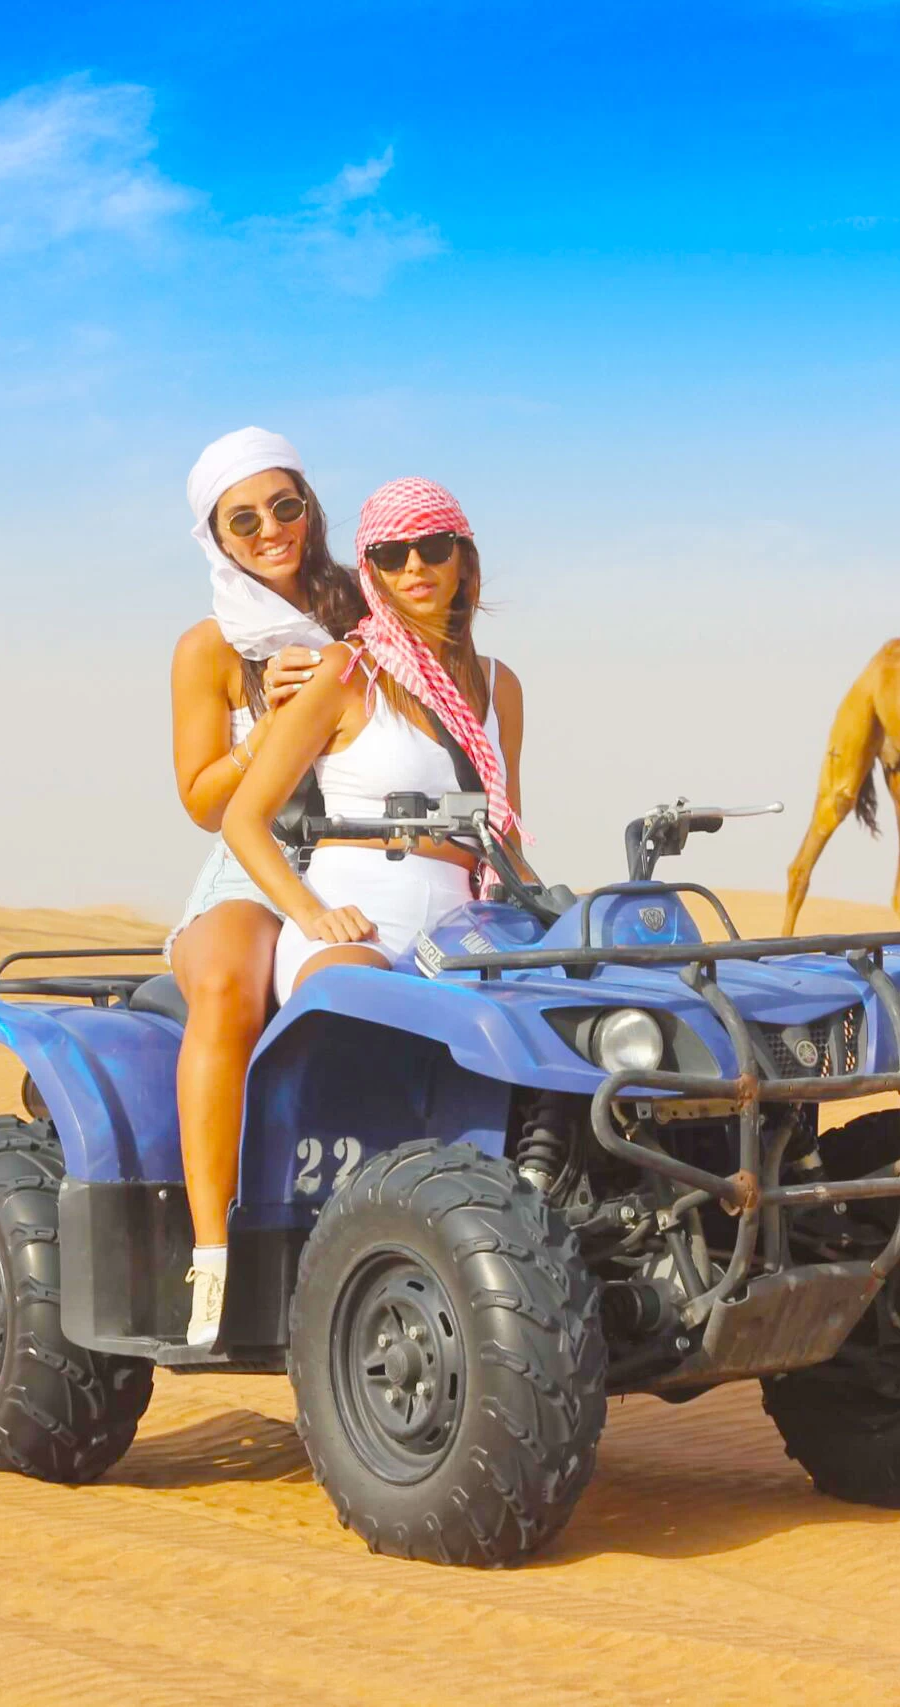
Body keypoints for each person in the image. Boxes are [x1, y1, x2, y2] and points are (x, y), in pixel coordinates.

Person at [198, 477, 526, 1340]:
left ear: (464, 559)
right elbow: (243, 816)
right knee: (356, 1013)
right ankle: (279, 1257)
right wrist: (309, 913)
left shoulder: (499, 686)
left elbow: (507, 830)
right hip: (359, 915)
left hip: (462, 924)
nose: (415, 567)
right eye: (390, 553)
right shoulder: (350, 670)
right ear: (372, 570)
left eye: (433, 548)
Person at [166, 428, 366, 1347]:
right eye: (243, 520)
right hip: (254, 857)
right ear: (218, 538)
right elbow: (207, 803)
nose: (270, 531)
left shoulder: (365, 609)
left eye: (284, 507)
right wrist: (267, 724)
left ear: (310, 508)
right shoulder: (210, 647)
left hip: (368, 853)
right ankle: (213, 1255)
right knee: (227, 983)